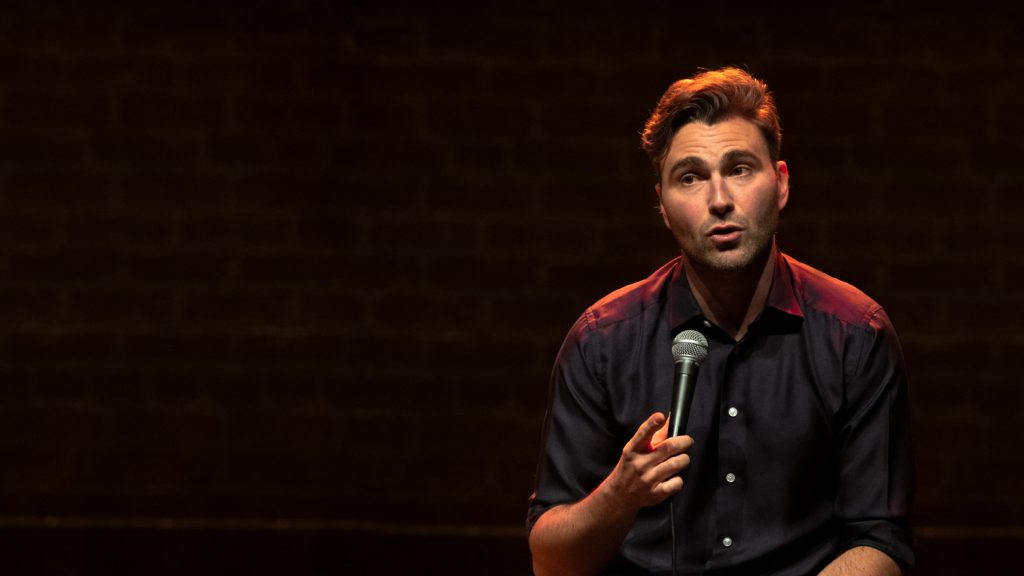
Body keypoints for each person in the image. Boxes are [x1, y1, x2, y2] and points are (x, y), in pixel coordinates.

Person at [526, 67, 913, 576]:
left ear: (781, 183)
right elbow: (550, 562)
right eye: (690, 177)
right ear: (663, 206)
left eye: (740, 169)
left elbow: (880, 543)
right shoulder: (603, 341)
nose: (719, 200)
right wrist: (619, 494)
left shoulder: (855, 335)